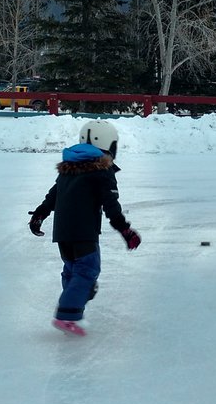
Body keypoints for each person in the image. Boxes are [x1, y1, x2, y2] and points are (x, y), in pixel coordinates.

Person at [28, 121, 141, 336]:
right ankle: (67, 313)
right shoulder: (102, 170)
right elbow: (110, 205)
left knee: (72, 269)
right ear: (108, 143)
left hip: (63, 233)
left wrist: (39, 215)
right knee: (87, 271)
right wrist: (125, 230)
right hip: (84, 231)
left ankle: (73, 306)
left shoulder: (69, 167)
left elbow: (53, 195)